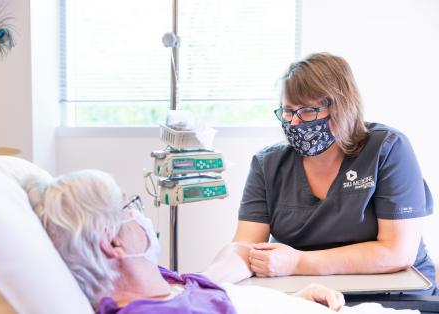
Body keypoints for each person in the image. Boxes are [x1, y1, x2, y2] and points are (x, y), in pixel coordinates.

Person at [22, 169, 421, 313]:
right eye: (129, 206)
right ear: (114, 244)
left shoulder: (163, 281)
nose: (140, 213)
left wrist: (287, 302)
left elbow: (232, 275)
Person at [204, 52, 436, 295]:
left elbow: (397, 253)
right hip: (305, 290)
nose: (294, 123)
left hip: (394, 292)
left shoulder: (387, 149)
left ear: (341, 107)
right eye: (287, 111)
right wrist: (203, 281)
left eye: (307, 111)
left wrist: (298, 262)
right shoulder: (268, 164)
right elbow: (245, 247)